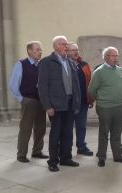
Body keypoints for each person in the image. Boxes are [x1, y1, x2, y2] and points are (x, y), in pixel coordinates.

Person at [38, 35, 80, 172]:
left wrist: (77, 103)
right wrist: (47, 106)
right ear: (55, 46)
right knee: (55, 133)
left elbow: (76, 85)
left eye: (66, 44)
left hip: (69, 103)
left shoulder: (71, 63)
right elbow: (43, 87)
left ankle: (66, 158)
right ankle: (53, 161)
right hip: (55, 105)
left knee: (68, 132)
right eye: (63, 44)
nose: (66, 46)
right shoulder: (46, 62)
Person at [88, 46, 122, 167]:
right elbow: (91, 90)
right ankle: (101, 157)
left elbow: (121, 86)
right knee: (104, 133)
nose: (115, 58)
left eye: (116, 56)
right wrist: (101, 99)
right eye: (112, 55)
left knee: (117, 133)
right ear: (105, 57)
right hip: (105, 107)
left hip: (119, 106)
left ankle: (117, 156)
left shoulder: (120, 70)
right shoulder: (99, 71)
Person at [9, 41, 48, 163]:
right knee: (26, 128)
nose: (40, 52)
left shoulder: (41, 66)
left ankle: (37, 151)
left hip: (41, 101)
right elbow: (13, 85)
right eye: (37, 49)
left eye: (40, 49)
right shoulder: (21, 64)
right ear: (29, 51)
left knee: (41, 128)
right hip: (28, 100)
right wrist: (23, 99)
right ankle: (21, 154)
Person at [66, 42, 93, 156]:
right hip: (69, 102)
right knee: (67, 127)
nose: (76, 52)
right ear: (67, 52)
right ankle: (66, 149)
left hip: (82, 102)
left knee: (81, 126)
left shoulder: (84, 65)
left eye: (77, 49)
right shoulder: (64, 64)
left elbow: (90, 83)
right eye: (73, 50)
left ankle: (81, 146)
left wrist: (90, 99)